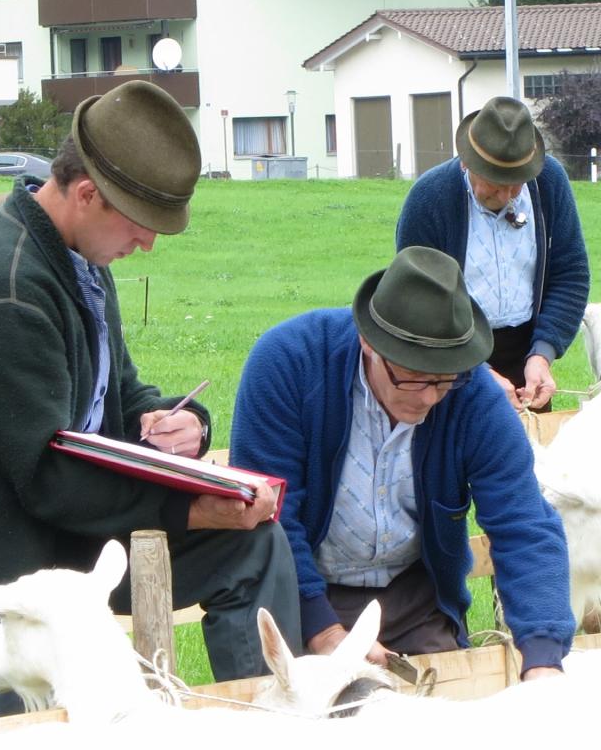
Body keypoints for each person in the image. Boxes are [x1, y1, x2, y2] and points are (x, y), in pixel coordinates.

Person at [0, 81, 301, 721]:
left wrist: (173, 421)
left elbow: (114, 395)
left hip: (65, 534)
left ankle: (279, 725)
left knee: (250, 547)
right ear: (88, 194)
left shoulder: (78, 257)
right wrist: (189, 508)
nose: (149, 244)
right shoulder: (3, 287)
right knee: (28, 722)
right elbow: (50, 473)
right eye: (141, 224)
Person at [230, 245, 576, 680]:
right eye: (412, 378)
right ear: (368, 343)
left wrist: (543, 659)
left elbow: (523, 524)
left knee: (441, 704)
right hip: (292, 593)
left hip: (413, 598)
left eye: (443, 379)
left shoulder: (472, 396)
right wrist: (326, 633)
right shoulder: (289, 364)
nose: (430, 397)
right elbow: (274, 516)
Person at [396, 96, 589, 412]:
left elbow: (571, 273)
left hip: (527, 361)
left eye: (516, 184)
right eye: (496, 183)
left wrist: (543, 354)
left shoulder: (549, 182)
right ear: (467, 162)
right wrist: (474, 370)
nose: (507, 195)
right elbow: (418, 301)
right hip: (450, 363)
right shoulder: (429, 199)